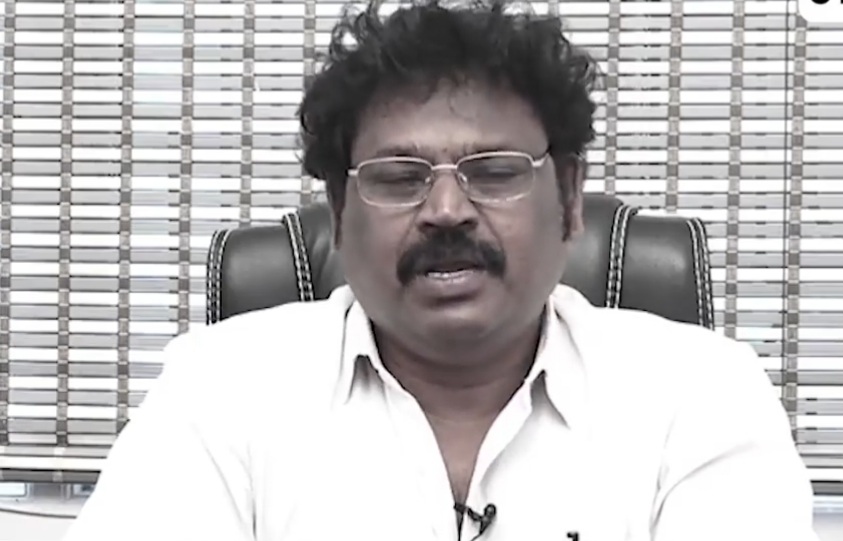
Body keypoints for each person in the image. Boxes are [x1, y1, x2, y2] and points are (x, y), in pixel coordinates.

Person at [65, 1, 818, 540]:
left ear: (568, 199)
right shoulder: (220, 387)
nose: (447, 210)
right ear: (339, 210)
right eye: (399, 177)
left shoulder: (701, 395)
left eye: (494, 172)